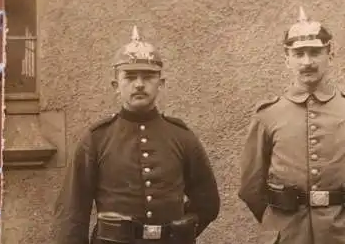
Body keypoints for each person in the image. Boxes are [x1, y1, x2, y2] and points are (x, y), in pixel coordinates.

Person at [54, 26, 221, 244]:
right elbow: (71, 212)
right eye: (130, 77)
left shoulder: (182, 137)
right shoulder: (96, 139)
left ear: (161, 84)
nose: (140, 84)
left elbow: (208, 202)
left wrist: (178, 231)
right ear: (116, 85)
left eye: (149, 77)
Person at [238, 7, 345, 244]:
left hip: (344, 235)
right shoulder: (268, 115)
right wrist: (278, 222)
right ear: (286, 59)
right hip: (288, 235)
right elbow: (250, 187)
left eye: (315, 52)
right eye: (298, 54)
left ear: (330, 54)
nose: (307, 62)